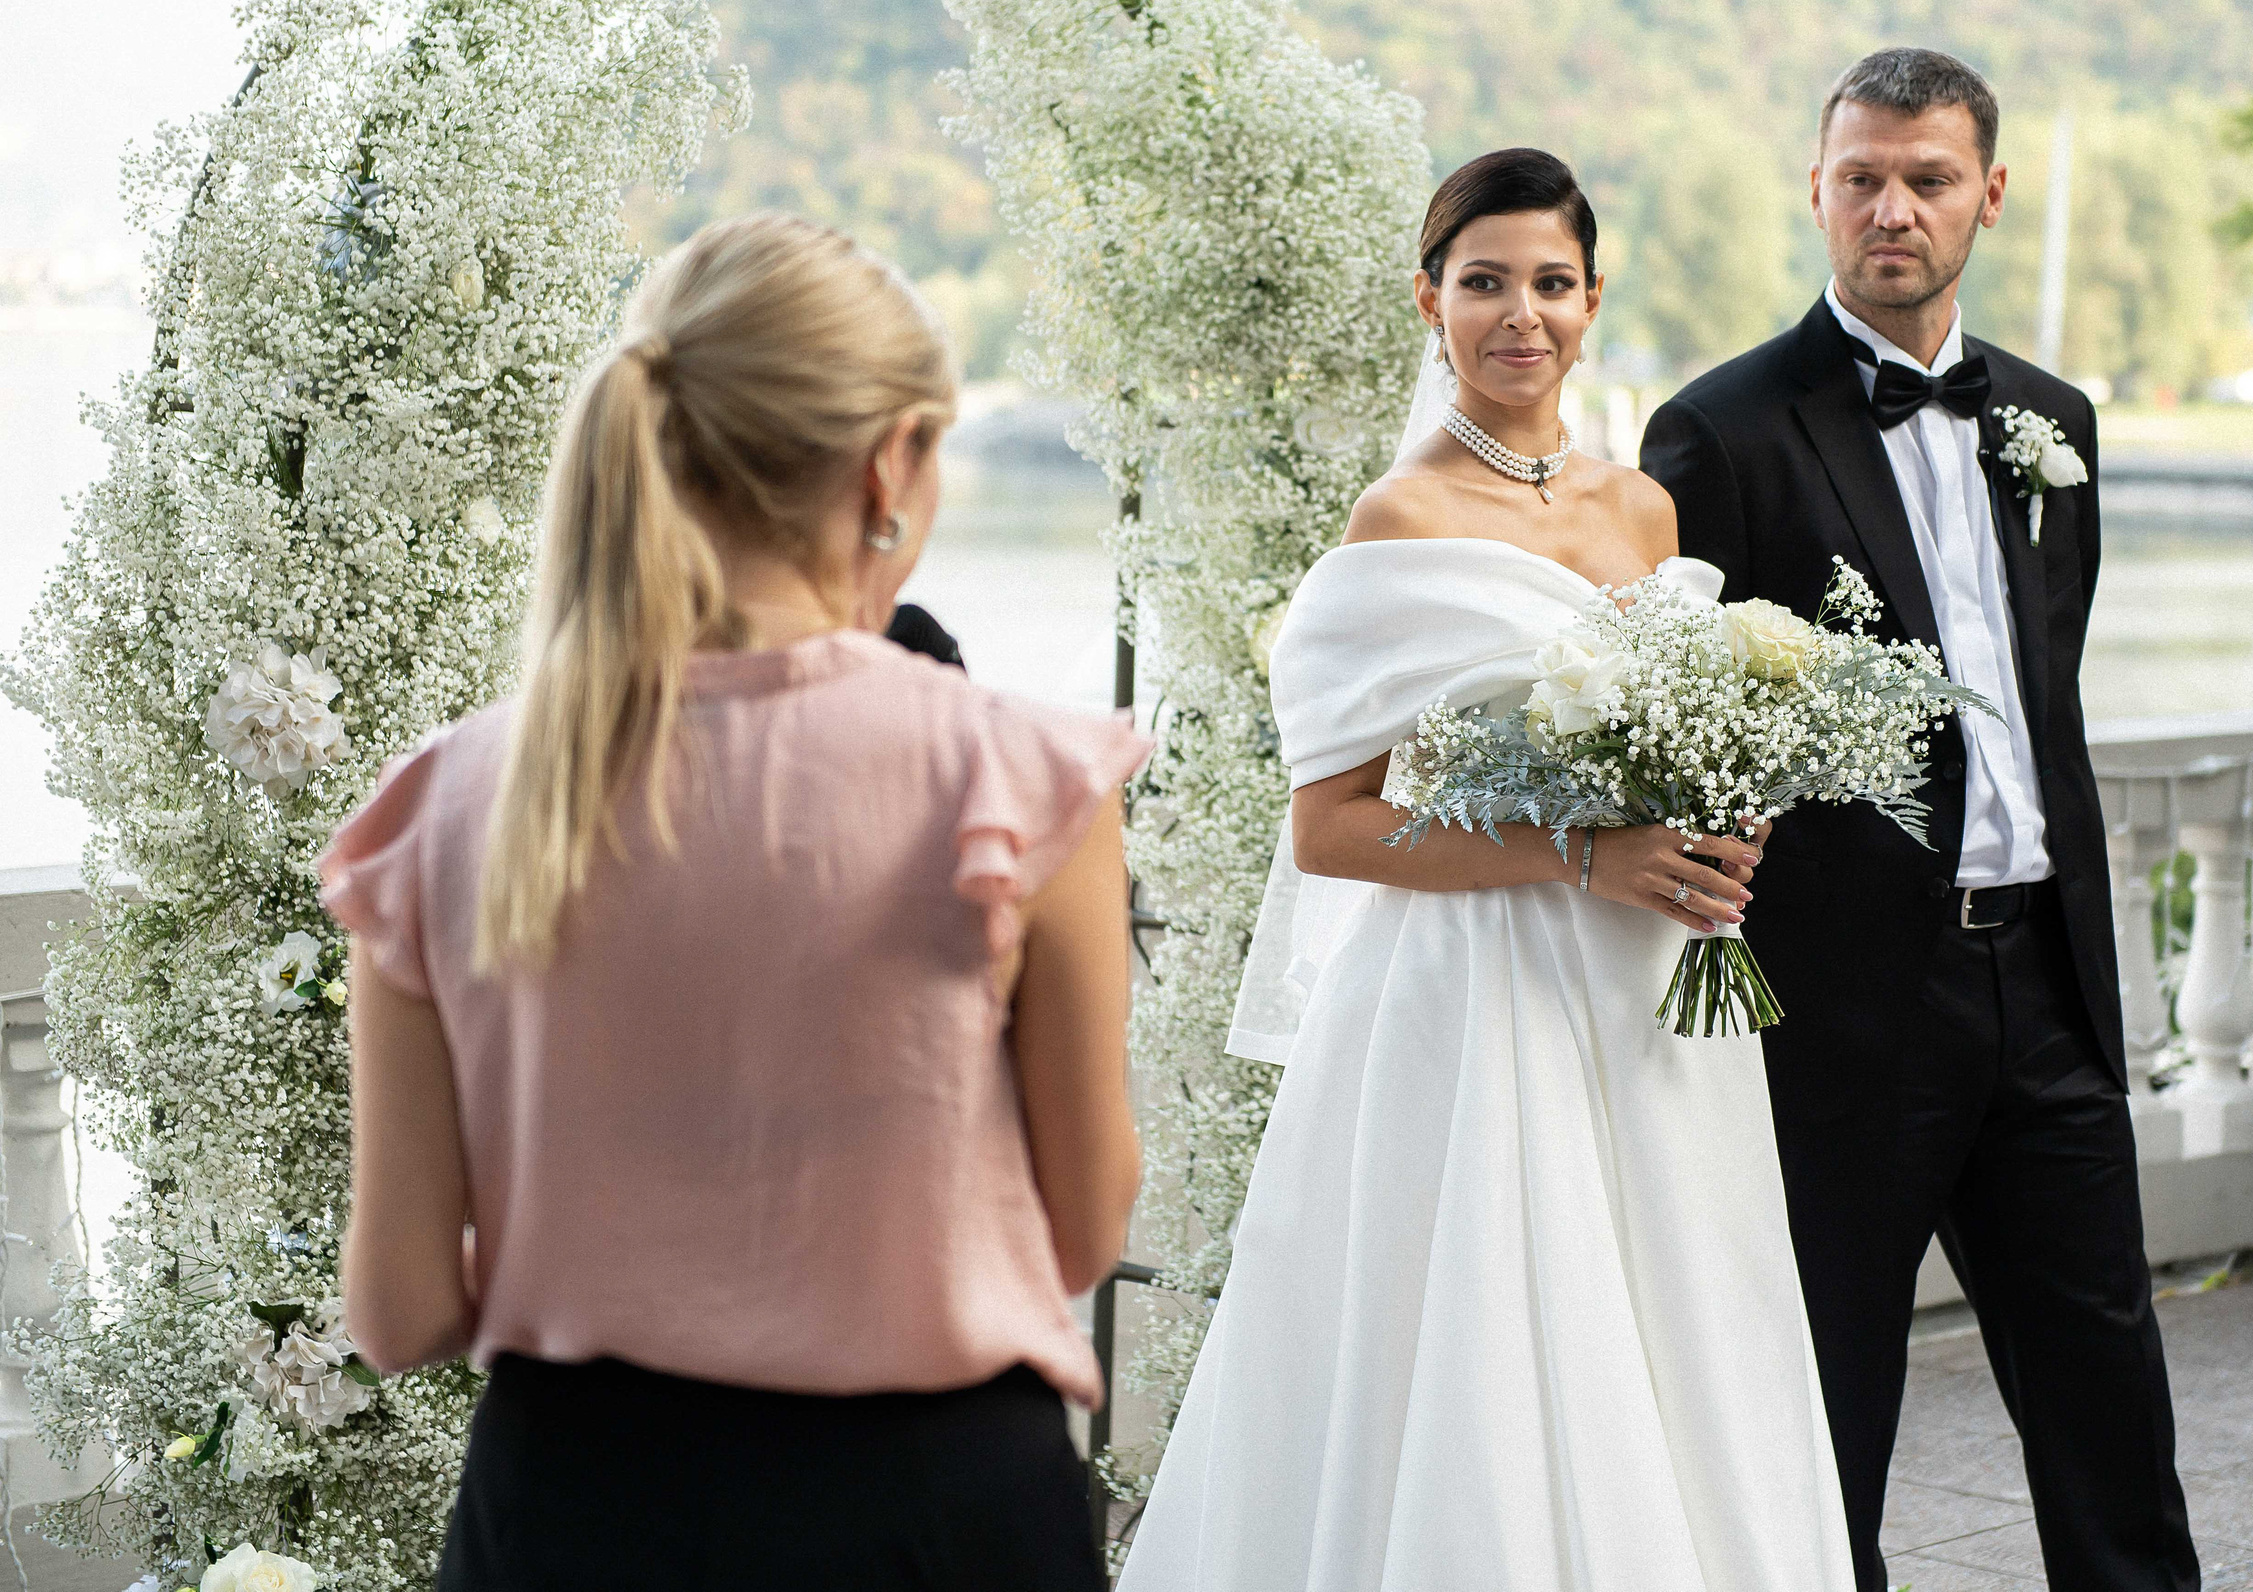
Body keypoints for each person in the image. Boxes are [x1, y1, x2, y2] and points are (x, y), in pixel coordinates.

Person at [319, 213, 1150, 1591]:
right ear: (892, 460)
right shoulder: (1024, 779)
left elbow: (400, 1309)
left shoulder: (443, 803)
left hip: (576, 1518)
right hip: (935, 1520)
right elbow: (1083, 1232)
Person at [1116, 149, 1855, 1592]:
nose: (1523, 314)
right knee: (1494, 1328)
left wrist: (1716, 816)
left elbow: (1664, 738)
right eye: (1485, 283)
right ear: (1430, 300)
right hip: (1473, 995)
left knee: (1676, 1315)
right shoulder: (1392, 523)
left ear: (1592, 302)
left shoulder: (1642, 511)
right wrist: (1582, 852)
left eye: (1553, 284)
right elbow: (1328, 826)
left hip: (1641, 986)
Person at [1641, 49, 2201, 1592]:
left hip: (2049, 995)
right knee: (1825, 1420)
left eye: (1928, 178)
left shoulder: (2054, 424)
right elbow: (1686, 732)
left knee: (2109, 1407)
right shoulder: (1719, 435)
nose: (1893, 209)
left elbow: (2043, 699)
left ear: (1989, 197)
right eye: (1863, 178)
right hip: (1846, 1014)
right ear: (1814, 191)